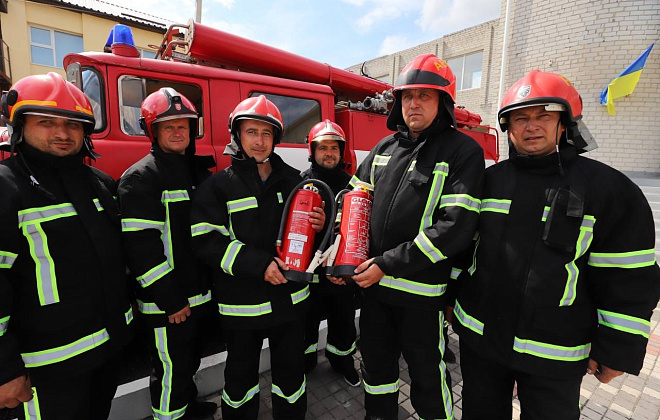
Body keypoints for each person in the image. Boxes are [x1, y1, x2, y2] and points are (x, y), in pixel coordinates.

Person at [453, 70, 660, 420]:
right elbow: (461, 249)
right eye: (521, 118)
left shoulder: (609, 191)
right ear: (509, 128)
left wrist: (616, 350)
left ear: (564, 123)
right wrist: (450, 303)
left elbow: (628, 278)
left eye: (543, 116)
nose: (531, 126)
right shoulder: (487, 182)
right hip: (480, 343)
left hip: (554, 355)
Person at [348, 54, 484, 420]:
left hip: (421, 298)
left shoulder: (463, 151)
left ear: (444, 102)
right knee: (376, 370)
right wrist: (338, 245)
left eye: (425, 95)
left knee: (427, 374)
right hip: (375, 291)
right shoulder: (383, 149)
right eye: (407, 96)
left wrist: (386, 264)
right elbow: (354, 203)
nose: (414, 104)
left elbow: (455, 227)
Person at [0, 73, 132, 418]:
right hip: (47, 366)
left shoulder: (100, 184)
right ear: (20, 126)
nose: (62, 133)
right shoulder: (6, 187)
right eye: (46, 123)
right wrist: (5, 367)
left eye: (73, 125)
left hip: (107, 350)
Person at [191, 95, 325, 420]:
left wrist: (318, 228)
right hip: (242, 306)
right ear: (237, 135)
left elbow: (305, 241)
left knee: (291, 378)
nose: (260, 141)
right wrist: (259, 265)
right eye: (252, 132)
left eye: (267, 134)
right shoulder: (217, 186)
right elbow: (206, 240)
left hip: (290, 302)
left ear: (275, 139)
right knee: (240, 382)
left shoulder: (296, 181)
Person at [117, 88, 217, 420]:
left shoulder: (196, 173)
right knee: (170, 370)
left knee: (188, 362)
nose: (178, 132)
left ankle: (186, 407)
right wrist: (171, 300)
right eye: (168, 126)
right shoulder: (141, 178)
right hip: (170, 303)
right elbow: (140, 249)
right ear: (153, 130)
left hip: (199, 295)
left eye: (183, 125)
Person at [300, 119, 359, 386]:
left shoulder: (352, 185)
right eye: (323, 147)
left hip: (339, 273)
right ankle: (306, 362)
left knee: (344, 321)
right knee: (305, 322)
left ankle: (342, 360)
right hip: (309, 272)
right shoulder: (300, 183)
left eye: (334, 148)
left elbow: (358, 229)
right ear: (312, 151)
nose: (329, 153)